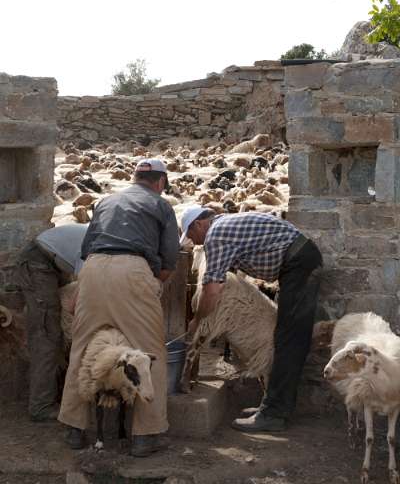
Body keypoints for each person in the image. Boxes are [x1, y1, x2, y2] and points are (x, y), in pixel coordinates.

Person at [58, 158, 180, 456]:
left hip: (94, 270)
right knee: (149, 352)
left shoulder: (106, 199)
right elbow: (170, 258)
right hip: (133, 269)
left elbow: (86, 250)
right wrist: (152, 285)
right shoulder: (161, 205)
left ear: (135, 177)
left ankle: (74, 429)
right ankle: (145, 434)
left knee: (82, 348)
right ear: (160, 182)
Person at [179, 205, 323, 433]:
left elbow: (213, 288)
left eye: (190, 234)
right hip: (298, 260)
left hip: (298, 264)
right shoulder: (225, 223)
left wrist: (197, 320)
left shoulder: (215, 235)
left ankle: (273, 414)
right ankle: (272, 407)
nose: (193, 242)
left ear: (198, 224)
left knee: (288, 339)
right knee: (287, 336)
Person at [15, 224, 89, 422]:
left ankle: (55, 394)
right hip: (38, 262)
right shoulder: (97, 246)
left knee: (58, 334)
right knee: (47, 334)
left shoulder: (106, 242)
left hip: (54, 263)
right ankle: (41, 405)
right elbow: (78, 301)